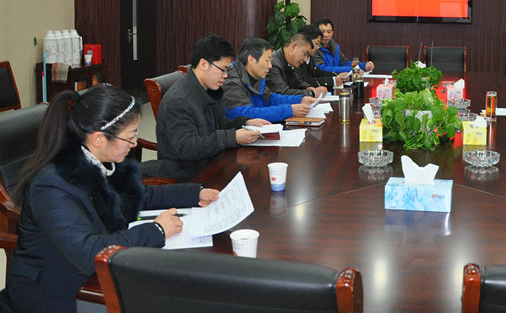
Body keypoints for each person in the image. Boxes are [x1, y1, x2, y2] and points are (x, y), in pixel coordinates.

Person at [1, 85, 219, 313]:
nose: (135, 143)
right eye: (130, 136)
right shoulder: (51, 185)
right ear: (98, 139)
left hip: (91, 274)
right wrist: (156, 230)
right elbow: (88, 254)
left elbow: (139, 195)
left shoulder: (99, 159)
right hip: (55, 293)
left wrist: (195, 193)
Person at [151, 34, 268, 182]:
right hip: (189, 173)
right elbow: (187, 148)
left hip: (212, 160)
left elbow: (216, 125)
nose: (226, 75)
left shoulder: (209, 89)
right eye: (223, 69)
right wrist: (233, 137)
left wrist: (245, 123)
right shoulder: (179, 100)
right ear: (203, 64)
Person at [223, 37, 316, 122]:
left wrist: (300, 99)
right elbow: (245, 114)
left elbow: (270, 99)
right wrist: (288, 110)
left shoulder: (256, 77)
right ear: (251, 60)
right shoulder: (231, 81)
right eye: (267, 61)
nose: (270, 66)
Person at [266, 33, 327, 97]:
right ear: (293, 47)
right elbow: (282, 93)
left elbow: (297, 83)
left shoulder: (288, 62)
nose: (305, 59)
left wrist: (310, 88)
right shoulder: (273, 64)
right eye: (305, 54)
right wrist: (312, 93)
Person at [296, 25, 349, 89]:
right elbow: (302, 81)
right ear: (305, 41)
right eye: (316, 44)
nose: (318, 48)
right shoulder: (296, 57)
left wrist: (337, 75)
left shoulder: (310, 56)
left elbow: (317, 72)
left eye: (329, 31)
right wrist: (332, 81)